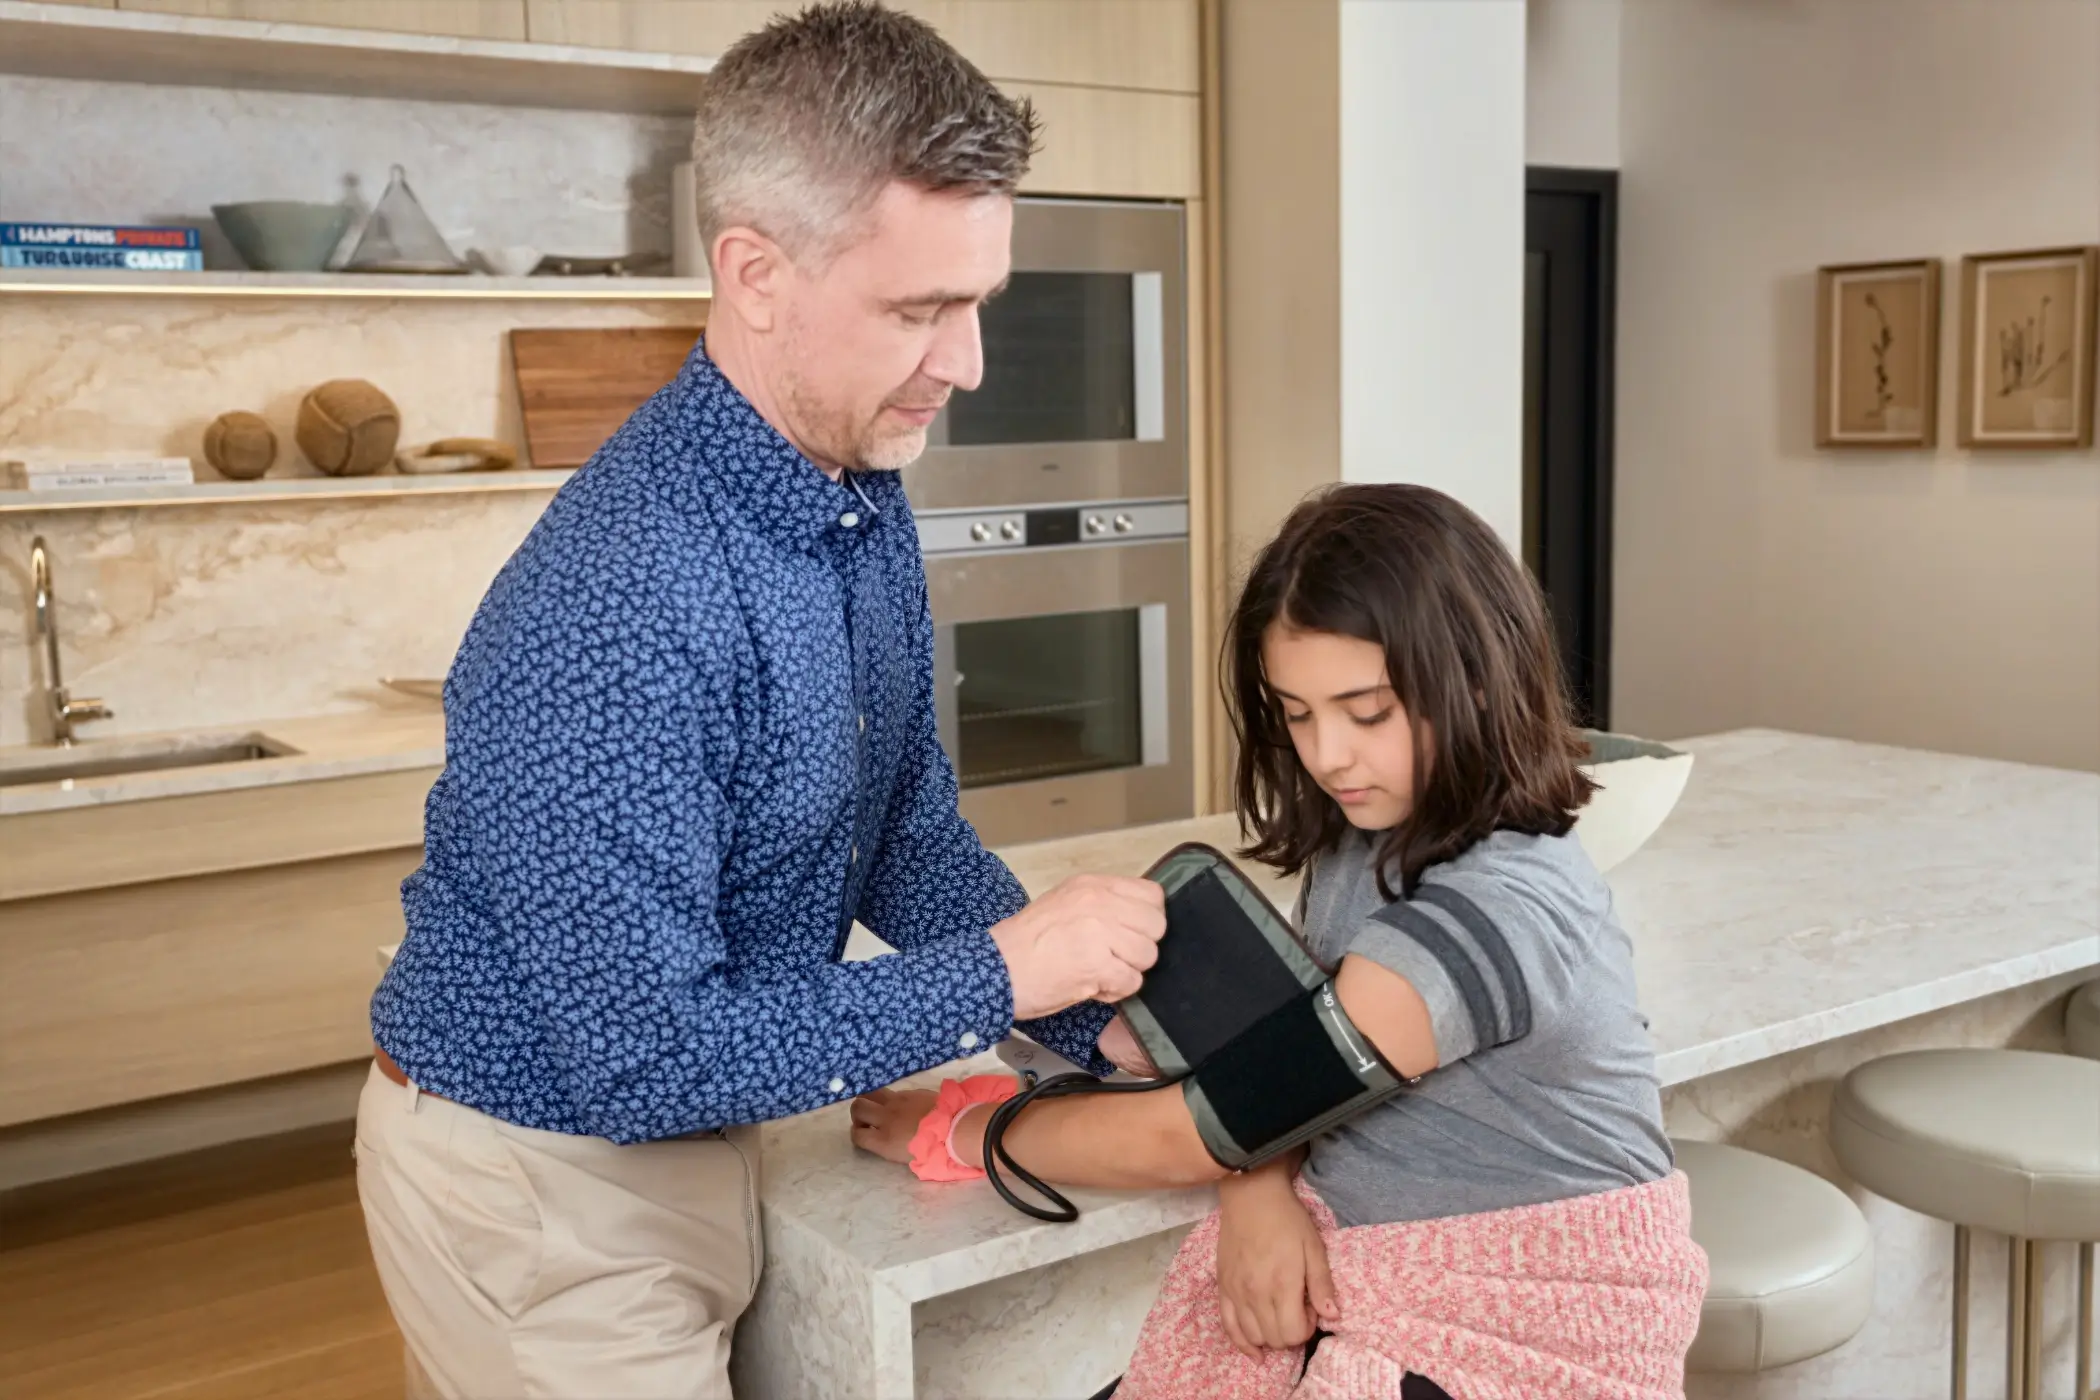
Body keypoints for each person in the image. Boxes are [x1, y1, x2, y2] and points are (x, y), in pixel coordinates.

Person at [354, 5, 1166, 1397]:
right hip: (541, 1189)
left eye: (978, 302)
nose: (965, 362)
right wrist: (1005, 974)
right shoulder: (616, 605)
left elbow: (901, 827)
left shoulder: (853, 493)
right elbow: (641, 1055)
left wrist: (1092, 1021)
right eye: (919, 310)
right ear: (754, 272)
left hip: (712, 1135)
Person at [853, 484, 1709, 1399]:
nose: (1329, 753)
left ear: (1477, 676)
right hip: (1386, 1291)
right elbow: (1277, 1063)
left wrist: (969, 1131)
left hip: (1523, 1326)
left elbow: (1194, 1132)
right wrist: (1255, 1183)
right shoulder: (1371, 831)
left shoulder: (1494, 912)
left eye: (1366, 711)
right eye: (1297, 714)